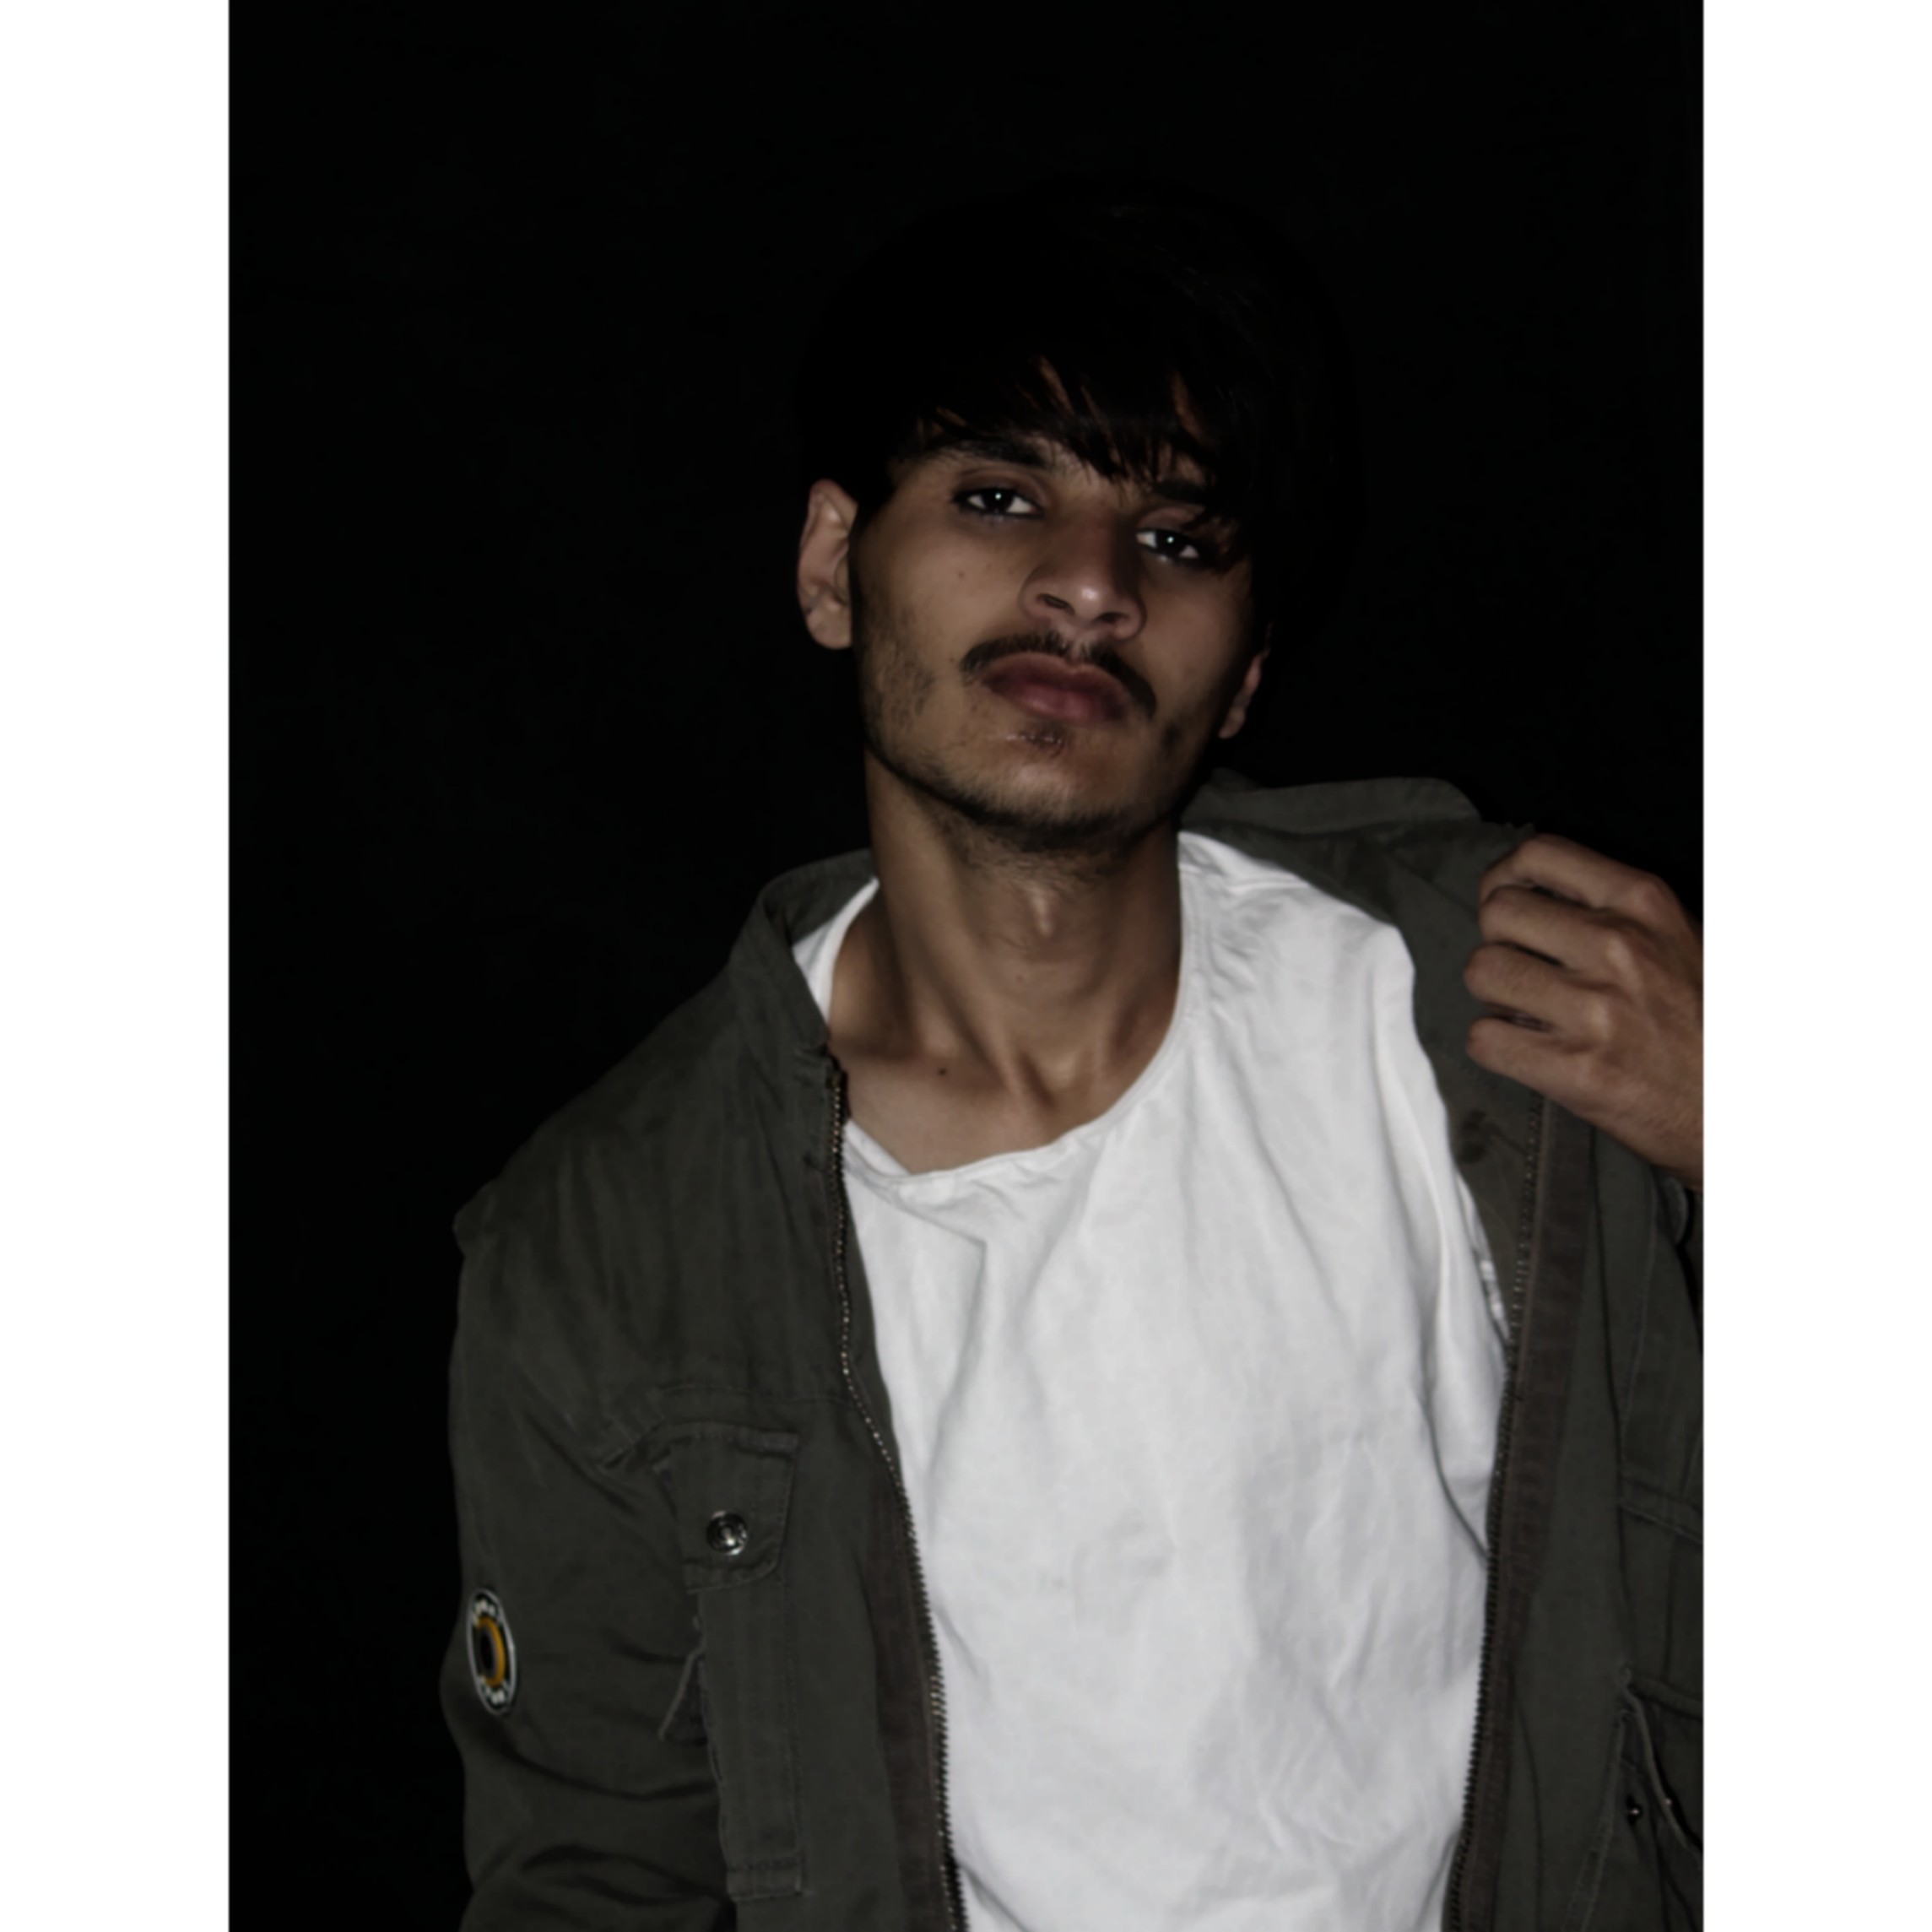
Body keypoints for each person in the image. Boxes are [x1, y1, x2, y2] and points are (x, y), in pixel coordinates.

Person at [441, 176, 1702, 1931]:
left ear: (1244, 673)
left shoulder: (1512, 1008)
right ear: (830, 563)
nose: (1089, 584)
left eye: (1175, 539)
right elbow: (596, 1879)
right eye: (998, 495)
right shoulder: (609, 1250)